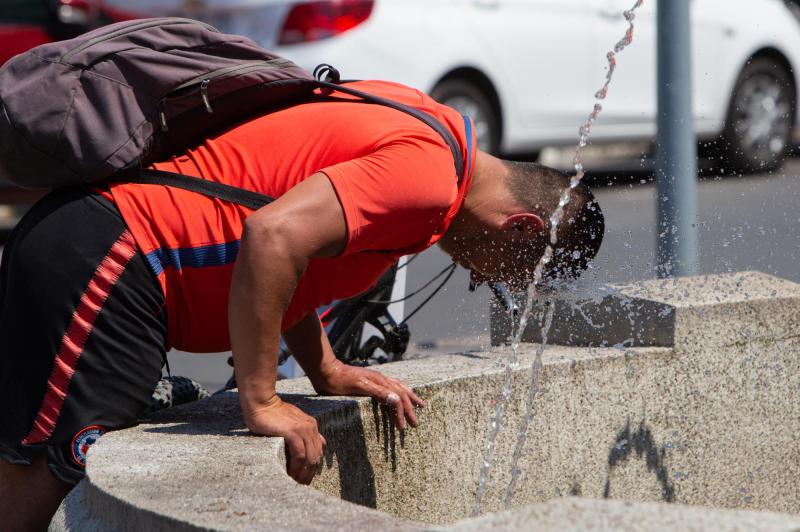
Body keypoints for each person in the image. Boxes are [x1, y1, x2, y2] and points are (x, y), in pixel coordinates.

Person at [0, 79, 603, 530]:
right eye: (502, 275)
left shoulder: (436, 130)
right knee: (49, 480)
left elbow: (292, 254)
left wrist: (325, 368)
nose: (477, 277)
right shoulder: (426, 182)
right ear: (521, 228)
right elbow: (272, 237)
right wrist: (262, 401)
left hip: (110, 250)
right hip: (114, 258)